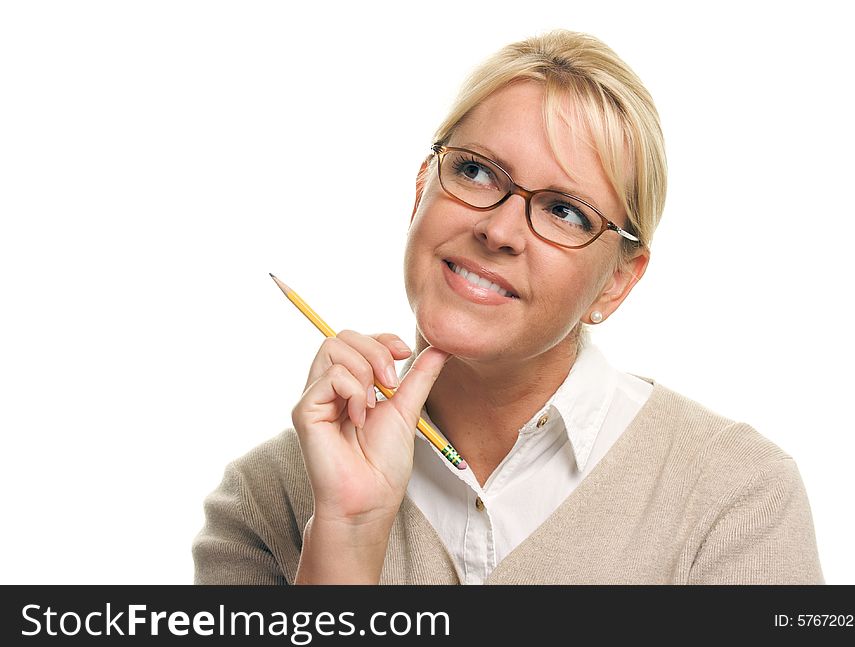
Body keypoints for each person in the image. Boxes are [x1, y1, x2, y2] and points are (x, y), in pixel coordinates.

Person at [192, 29, 823, 584]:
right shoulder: (264, 501)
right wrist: (348, 536)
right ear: (421, 191)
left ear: (617, 282)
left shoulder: (736, 497)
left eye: (563, 211)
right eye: (476, 173)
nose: (499, 230)